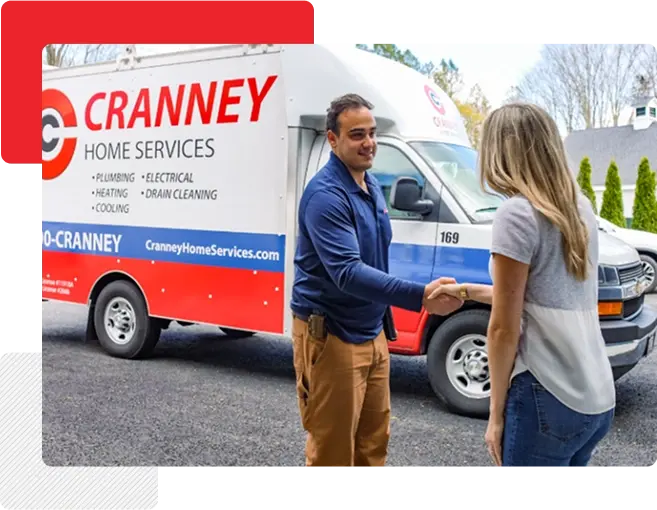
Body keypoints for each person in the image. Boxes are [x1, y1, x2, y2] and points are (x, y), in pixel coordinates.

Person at [426, 102, 616, 469]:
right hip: (595, 396)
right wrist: (466, 291)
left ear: (500, 151)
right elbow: (542, 297)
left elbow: (502, 327)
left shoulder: (516, 212)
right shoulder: (580, 208)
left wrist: (495, 415)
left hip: (548, 393)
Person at [290, 93, 463, 468]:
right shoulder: (325, 196)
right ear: (332, 139)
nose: (369, 143)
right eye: (356, 135)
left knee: (373, 443)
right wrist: (420, 296)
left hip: (372, 333)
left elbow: (374, 259)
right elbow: (347, 272)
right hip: (333, 334)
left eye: (371, 133)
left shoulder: (369, 187)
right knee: (333, 452)